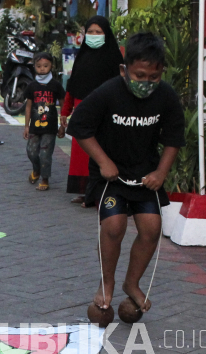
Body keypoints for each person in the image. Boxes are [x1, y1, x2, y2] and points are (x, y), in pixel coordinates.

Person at [67, 32, 184, 316]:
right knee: (114, 226)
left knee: (151, 228)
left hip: (145, 176)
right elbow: (80, 127)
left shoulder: (166, 96)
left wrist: (161, 172)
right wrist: (103, 161)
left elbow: (173, 139)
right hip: (111, 178)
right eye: (139, 75)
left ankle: (132, 283)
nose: (146, 83)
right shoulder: (108, 92)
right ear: (124, 70)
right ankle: (106, 283)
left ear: (161, 74)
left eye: (153, 77)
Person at [61, 16, 123, 206]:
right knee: (81, 154)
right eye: (90, 32)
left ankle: (98, 193)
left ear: (106, 34)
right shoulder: (82, 58)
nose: (94, 36)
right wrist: (65, 112)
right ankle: (83, 192)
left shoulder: (114, 59)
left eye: (98, 32)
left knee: (101, 153)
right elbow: (72, 87)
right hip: (82, 112)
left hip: (106, 114)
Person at [23, 52, 66, 191]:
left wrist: (62, 125)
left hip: (50, 127)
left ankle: (45, 179)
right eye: (39, 66)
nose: (42, 69)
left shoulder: (56, 86)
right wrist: (26, 126)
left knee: (45, 154)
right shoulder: (32, 86)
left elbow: (63, 106)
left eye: (45, 66)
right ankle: (36, 170)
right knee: (31, 151)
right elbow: (28, 106)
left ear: (51, 66)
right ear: (34, 66)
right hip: (34, 126)